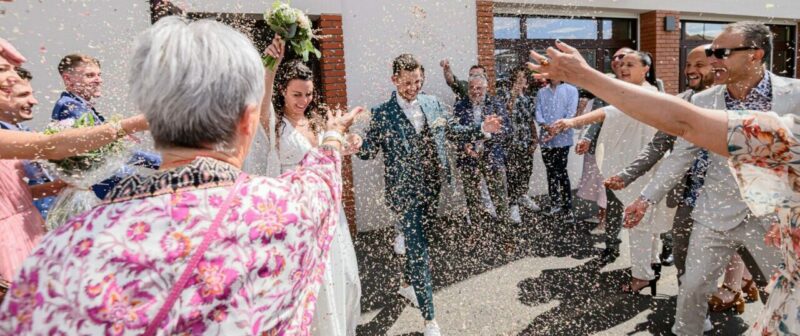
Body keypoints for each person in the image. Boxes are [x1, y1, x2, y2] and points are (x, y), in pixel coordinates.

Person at [0, 17, 363, 335]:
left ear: (152, 121)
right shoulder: (284, 209)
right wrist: (333, 135)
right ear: (248, 121)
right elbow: (322, 176)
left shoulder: (61, 254)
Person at [527, 27, 800, 336]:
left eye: (721, 53)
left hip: (775, 224)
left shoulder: (791, 110)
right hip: (713, 213)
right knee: (692, 289)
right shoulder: (707, 100)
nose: (712, 61)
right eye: (709, 54)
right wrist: (646, 197)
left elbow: (682, 120)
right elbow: (680, 143)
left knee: (780, 296)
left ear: (755, 54)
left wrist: (587, 77)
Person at [354, 53, 502, 336]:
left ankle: (408, 285)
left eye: (418, 82)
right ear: (394, 79)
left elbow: (454, 132)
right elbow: (369, 149)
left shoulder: (433, 104)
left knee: (421, 242)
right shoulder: (382, 113)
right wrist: (356, 143)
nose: (413, 88)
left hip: (432, 190)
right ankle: (430, 320)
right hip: (404, 194)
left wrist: (482, 128)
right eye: (407, 82)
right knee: (419, 250)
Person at [0, 43, 148, 300]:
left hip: (31, 230)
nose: (13, 77)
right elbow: (52, 146)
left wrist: (57, 187)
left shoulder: (13, 130)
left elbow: (16, 192)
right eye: (3, 70)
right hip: (8, 243)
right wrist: (134, 124)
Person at [547, 51, 668, 295]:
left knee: (639, 221)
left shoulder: (648, 93)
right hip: (636, 165)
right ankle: (651, 262)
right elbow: (608, 112)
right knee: (646, 219)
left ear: (646, 68)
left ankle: (642, 276)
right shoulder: (630, 93)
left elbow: (607, 112)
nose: (623, 68)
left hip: (643, 166)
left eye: (630, 64)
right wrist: (573, 123)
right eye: (621, 64)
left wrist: (572, 122)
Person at [270, 55, 362, 336]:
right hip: (299, 214)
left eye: (308, 94)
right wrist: (270, 65)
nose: (303, 100)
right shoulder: (274, 125)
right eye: (296, 94)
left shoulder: (318, 120)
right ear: (282, 91)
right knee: (316, 283)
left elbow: (329, 152)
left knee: (345, 278)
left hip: (329, 211)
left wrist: (349, 143)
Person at [52, 53, 162, 200]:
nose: (99, 80)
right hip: (110, 188)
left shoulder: (80, 106)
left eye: (99, 75)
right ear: (68, 79)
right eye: (90, 75)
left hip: (116, 184)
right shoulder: (70, 107)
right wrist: (161, 162)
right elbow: (102, 153)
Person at [453, 74, 512, 228]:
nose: (475, 91)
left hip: (492, 157)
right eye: (472, 87)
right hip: (468, 159)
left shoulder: (496, 104)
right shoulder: (460, 106)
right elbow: (455, 131)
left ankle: (505, 233)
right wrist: (464, 145)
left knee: (500, 198)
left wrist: (488, 138)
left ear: (486, 88)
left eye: (479, 87)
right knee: (472, 199)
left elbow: (507, 130)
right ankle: (477, 231)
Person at [535, 78, 578, 220]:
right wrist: (546, 126)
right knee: (550, 171)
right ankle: (555, 203)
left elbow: (570, 114)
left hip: (563, 139)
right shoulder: (542, 92)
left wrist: (556, 130)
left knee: (562, 172)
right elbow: (538, 112)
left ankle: (567, 207)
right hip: (546, 139)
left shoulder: (571, 90)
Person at [502, 66, 540, 221]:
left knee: (526, 170)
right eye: (518, 77)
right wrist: (513, 95)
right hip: (511, 142)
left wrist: (535, 138)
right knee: (513, 174)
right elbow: (506, 113)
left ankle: (523, 196)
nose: (521, 79)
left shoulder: (529, 97)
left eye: (523, 77)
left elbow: (530, 119)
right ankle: (513, 206)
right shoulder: (505, 93)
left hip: (526, 140)